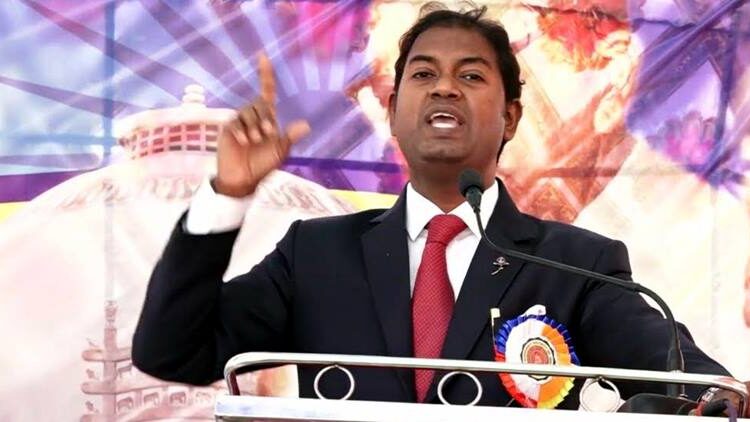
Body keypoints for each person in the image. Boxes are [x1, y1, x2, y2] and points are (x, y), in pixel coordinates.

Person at [132, 4, 742, 411]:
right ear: (394, 112)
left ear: (510, 117)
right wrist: (228, 194)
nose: (444, 86)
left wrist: (720, 395)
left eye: (471, 76)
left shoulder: (574, 264)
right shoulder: (314, 253)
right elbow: (173, 351)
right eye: (423, 75)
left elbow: (674, 368)